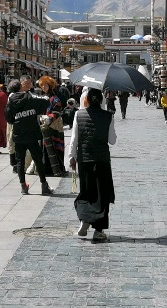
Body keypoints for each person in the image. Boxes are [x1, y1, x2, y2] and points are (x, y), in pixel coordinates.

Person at [66, 88, 117, 243]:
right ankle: (99, 230)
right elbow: (112, 140)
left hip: (84, 159)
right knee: (102, 194)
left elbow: (74, 139)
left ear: (86, 100)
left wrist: (71, 157)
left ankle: (84, 220)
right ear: (102, 100)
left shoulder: (78, 114)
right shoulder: (108, 116)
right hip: (101, 159)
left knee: (87, 191)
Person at [6, 76, 53, 194]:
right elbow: (46, 101)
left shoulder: (10, 101)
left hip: (18, 134)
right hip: (32, 134)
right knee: (38, 159)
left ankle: (23, 186)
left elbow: (8, 118)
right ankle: (44, 184)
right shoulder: (30, 97)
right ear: (21, 87)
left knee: (20, 161)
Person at [37, 76, 67, 177]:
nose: (43, 87)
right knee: (45, 148)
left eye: (45, 85)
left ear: (50, 86)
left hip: (54, 127)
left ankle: (57, 169)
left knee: (56, 147)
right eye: (42, 85)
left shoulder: (55, 99)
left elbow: (57, 112)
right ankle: (47, 169)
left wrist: (48, 118)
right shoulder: (42, 98)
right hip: (45, 127)